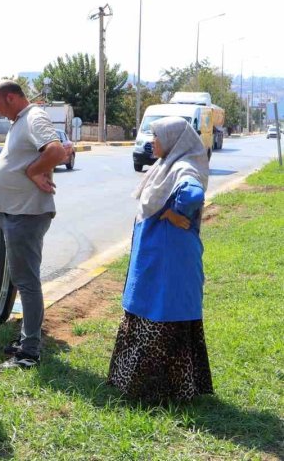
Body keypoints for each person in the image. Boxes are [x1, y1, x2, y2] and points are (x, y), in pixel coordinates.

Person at [107, 116, 213, 402]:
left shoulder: (183, 165)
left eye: (157, 136)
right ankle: (144, 384)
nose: (152, 142)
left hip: (170, 258)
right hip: (158, 254)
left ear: (173, 140)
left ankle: (158, 390)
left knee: (161, 313)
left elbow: (192, 193)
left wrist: (173, 213)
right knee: (149, 310)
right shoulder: (165, 165)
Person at [0, 80, 66, 369]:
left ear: (11, 98)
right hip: (16, 212)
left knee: (27, 282)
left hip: (26, 214)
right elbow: (19, 159)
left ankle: (29, 353)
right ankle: (28, 339)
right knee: (23, 279)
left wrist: (33, 170)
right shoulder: (20, 121)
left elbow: (56, 151)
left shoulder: (34, 117)